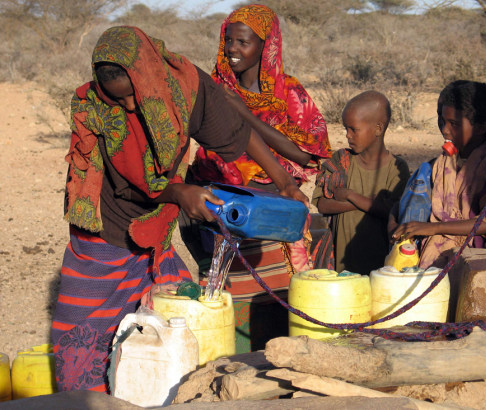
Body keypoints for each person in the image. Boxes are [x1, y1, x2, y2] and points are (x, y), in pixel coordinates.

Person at [52, 25, 307, 393]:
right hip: (104, 233)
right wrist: (182, 193)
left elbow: (234, 131)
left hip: (153, 232)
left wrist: (285, 184)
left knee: (179, 320)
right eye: (117, 98)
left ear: (148, 74)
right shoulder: (95, 108)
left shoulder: (184, 85)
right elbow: (129, 182)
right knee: (84, 342)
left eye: (131, 95)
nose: (127, 106)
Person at [182, 4, 331, 353]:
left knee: (279, 310)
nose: (233, 49)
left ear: (266, 47)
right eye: (228, 40)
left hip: (273, 218)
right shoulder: (212, 90)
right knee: (224, 311)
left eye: (243, 42)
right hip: (219, 216)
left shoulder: (289, 93)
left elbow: (306, 153)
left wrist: (243, 112)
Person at [391, 80, 486, 269]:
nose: (444, 130)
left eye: (453, 124)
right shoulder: (437, 165)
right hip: (429, 255)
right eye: (442, 121)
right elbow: (408, 201)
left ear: (480, 127)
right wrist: (395, 222)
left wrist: (435, 228)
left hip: (471, 263)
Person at [312, 90, 410, 275]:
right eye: (345, 129)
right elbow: (322, 204)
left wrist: (350, 195)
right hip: (342, 266)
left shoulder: (396, 167)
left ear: (378, 129)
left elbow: (393, 211)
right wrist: (367, 203)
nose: (348, 135)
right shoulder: (341, 161)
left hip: (381, 267)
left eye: (354, 129)